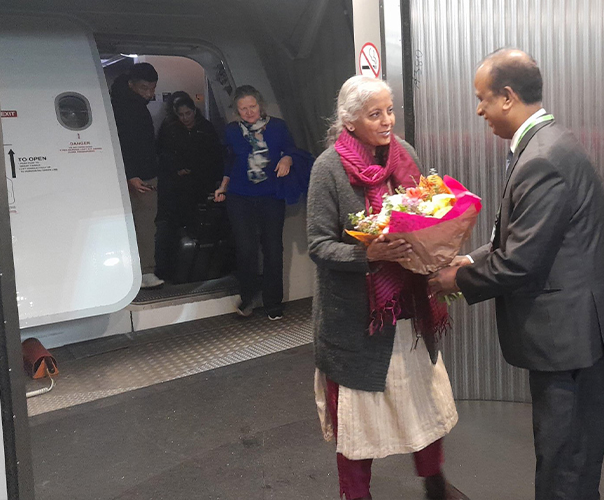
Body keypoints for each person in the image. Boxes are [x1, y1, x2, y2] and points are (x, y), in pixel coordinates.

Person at [428, 49, 604, 500]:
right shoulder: (547, 144)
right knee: (572, 461)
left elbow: (521, 262)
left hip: (574, 340)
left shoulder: (543, 157)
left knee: (564, 466)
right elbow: (520, 237)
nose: (478, 109)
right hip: (579, 334)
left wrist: (454, 282)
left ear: (507, 96)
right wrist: (469, 259)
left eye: (483, 98)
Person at [308, 75, 468, 500]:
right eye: (374, 114)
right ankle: (356, 495)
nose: (387, 121)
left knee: (425, 406)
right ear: (350, 120)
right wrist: (368, 256)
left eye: (390, 110)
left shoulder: (405, 155)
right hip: (357, 324)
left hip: (409, 309)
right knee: (358, 425)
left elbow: (423, 211)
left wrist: (437, 237)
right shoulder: (328, 168)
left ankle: (435, 484)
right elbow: (318, 245)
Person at [214, 85, 310, 320]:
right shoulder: (232, 131)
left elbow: (291, 149)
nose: (249, 112)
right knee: (246, 249)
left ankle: (273, 302)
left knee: (273, 248)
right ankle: (248, 297)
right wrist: (223, 186)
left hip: (270, 195)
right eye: (243, 109)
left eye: (252, 107)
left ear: (261, 105)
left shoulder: (277, 126)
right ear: (237, 111)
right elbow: (229, 162)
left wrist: (287, 158)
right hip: (239, 195)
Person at [154, 91, 224, 282]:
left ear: (194, 111)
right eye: (181, 115)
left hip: (199, 186)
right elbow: (162, 154)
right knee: (170, 229)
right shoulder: (170, 129)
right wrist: (176, 169)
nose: (185, 118)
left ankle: (195, 271)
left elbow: (215, 157)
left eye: (188, 113)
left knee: (197, 230)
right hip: (175, 187)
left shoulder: (206, 129)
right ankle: (167, 271)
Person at [110, 62, 164, 289]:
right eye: (144, 88)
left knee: (138, 222)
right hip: (140, 176)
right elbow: (123, 143)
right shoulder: (126, 108)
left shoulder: (122, 103)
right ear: (131, 84)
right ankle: (144, 272)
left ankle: (134, 272)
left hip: (137, 173)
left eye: (152, 88)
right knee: (144, 222)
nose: (149, 94)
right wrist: (132, 174)